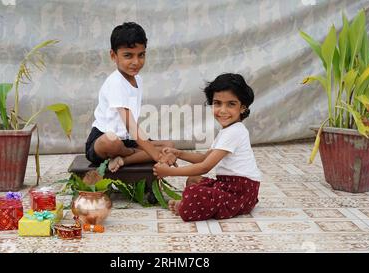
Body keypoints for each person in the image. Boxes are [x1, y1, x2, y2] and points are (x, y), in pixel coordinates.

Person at [153, 73, 262, 221]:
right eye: (217, 103)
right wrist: (178, 153)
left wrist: (170, 172)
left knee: (194, 194)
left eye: (231, 104)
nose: (222, 110)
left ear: (242, 108)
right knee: (193, 180)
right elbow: (204, 158)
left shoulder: (235, 132)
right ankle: (192, 202)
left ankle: (187, 205)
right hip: (227, 185)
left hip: (241, 191)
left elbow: (205, 166)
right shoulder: (228, 130)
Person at [85, 22, 176, 172]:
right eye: (128, 55)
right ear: (113, 55)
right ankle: (130, 154)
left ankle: (124, 160)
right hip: (103, 139)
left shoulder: (137, 80)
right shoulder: (115, 82)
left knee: (170, 147)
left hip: (127, 140)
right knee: (111, 141)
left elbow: (132, 131)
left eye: (141, 55)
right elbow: (130, 125)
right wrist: (157, 156)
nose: (136, 62)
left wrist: (154, 149)